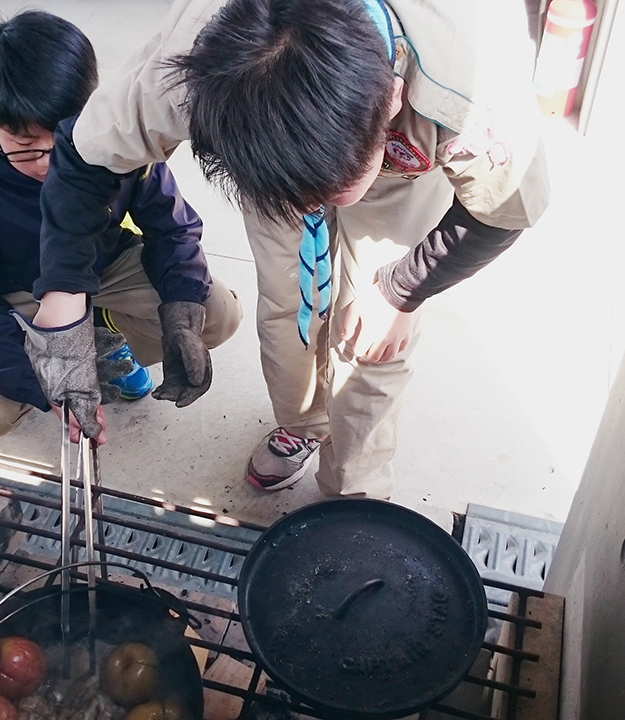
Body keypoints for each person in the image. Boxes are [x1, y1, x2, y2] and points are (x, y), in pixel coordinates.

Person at [32, 0, 549, 496]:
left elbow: (503, 213)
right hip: (273, 159)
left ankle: (354, 483)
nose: (309, 209)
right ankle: (303, 425)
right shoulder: (185, 70)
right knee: (286, 301)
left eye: (326, 191)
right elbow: (84, 160)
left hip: (398, 159)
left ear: (392, 97)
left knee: (373, 335)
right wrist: (63, 306)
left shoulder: (466, 95)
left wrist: (402, 289)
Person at [0, 10, 242, 444]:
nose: (49, 163)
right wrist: (49, 385)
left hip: (107, 268)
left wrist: (180, 317)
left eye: (64, 137)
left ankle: (107, 347)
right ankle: (76, 357)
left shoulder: (112, 137)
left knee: (217, 313)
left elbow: (173, 230)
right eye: (25, 147)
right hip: (21, 292)